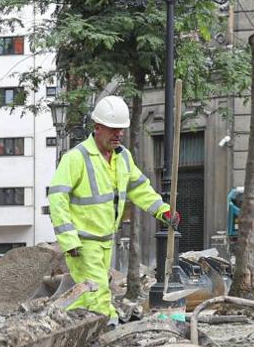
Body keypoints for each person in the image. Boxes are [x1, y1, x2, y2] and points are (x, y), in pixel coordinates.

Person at [48, 95, 180, 323]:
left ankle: (74, 330)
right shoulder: (76, 158)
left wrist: (163, 210)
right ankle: (107, 328)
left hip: (107, 239)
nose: (118, 134)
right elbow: (57, 199)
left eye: (121, 130)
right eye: (113, 130)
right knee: (97, 291)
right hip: (83, 242)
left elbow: (140, 188)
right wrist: (69, 240)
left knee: (87, 292)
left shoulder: (123, 158)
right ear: (97, 127)